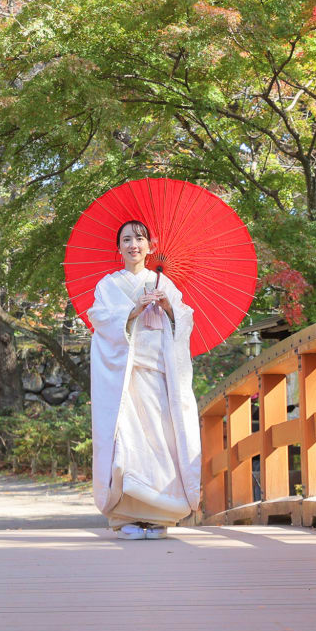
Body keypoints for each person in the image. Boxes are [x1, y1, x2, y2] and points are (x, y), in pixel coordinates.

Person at [89, 219, 201, 539]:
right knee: (125, 445)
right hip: (124, 380)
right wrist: (131, 311)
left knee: (161, 444)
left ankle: (158, 517)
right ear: (118, 248)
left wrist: (168, 308)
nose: (133, 245)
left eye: (139, 239)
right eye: (126, 240)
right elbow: (99, 318)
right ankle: (126, 518)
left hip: (157, 376)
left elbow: (185, 321)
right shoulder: (108, 285)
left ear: (150, 246)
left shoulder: (164, 284)